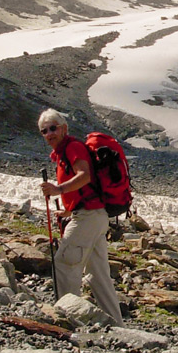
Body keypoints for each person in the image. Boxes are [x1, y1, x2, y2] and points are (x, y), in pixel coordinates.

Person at [39, 109, 123, 324]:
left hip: (87, 218)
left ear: (64, 128)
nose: (49, 133)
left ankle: (67, 319)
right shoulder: (66, 151)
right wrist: (69, 209)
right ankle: (116, 324)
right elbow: (86, 186)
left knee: (64, 264)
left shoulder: (73, 148)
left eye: (53, 128)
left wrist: (58, 190)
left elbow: (84, 176)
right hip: (95, 216)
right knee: (98, 274)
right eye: (44, 131)